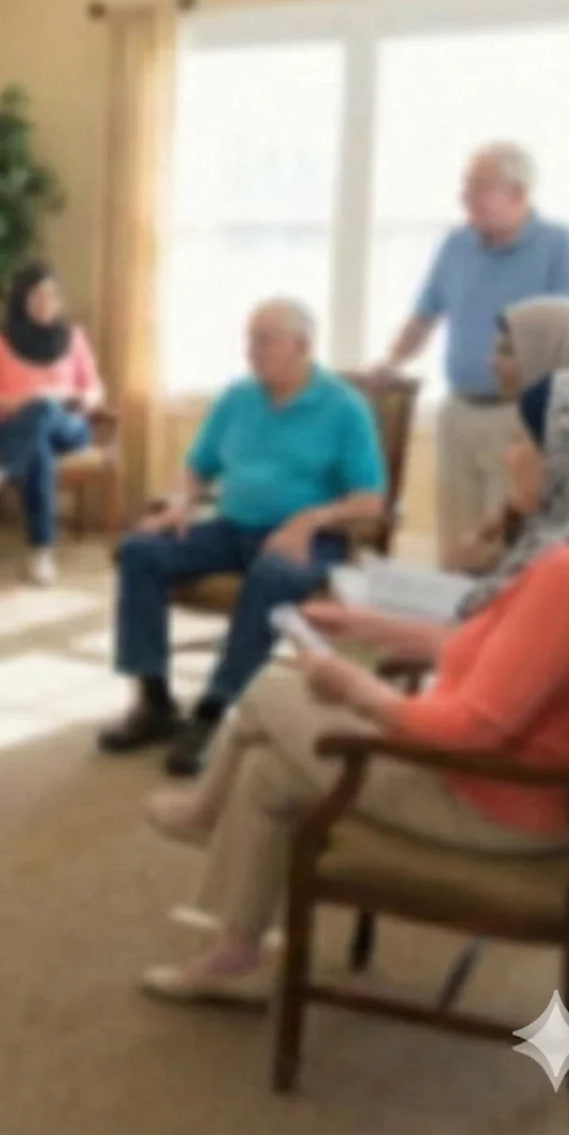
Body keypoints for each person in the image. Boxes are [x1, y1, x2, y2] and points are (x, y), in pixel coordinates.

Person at [138, 369, 569, 1003]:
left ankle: (203, 820)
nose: (508, 455)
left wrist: (354, 687)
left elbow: (472, 728)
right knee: (269, 772)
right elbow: (488, 653)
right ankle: (236, 953)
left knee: (269, 691)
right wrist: (366, 625)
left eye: (526, 443)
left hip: (496, 803)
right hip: (514, 789)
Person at [100, 299, 389, 780]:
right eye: (249, 340)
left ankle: (212, 711)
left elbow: (371, 500)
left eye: (263, 341)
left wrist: (314, 518)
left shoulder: (343, 407)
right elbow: (198, 467)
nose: (250, 352)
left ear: (302, 346)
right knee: (140, 551)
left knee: (272, 574)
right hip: (231, 525)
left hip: (305, 540)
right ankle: (154, 702)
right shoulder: (237, 397)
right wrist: (181, 502)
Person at [377, 142, 569, 561]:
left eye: (479, 187)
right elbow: (424, 314)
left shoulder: (560, 246)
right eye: (466, 187)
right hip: (459, 408)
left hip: (519, 414)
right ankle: (457, 624)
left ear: (519, 194)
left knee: (506, 543)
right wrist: (391, 362)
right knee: (457, 543)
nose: (466, 198)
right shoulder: (456, 245)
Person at [445, 296, 569, 573]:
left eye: (506, 352)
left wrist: (483, 560)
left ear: (547, 352)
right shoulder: (554, 421)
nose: (492, 363)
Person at [0, 261, 105, 586]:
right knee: (38, 447)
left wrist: (82, 399)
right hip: (11, 426)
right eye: (37, 295)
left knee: (45, 407)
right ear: (22, 299)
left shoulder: (73, 337)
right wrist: (14, 402)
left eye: (51, 295)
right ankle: (41, 553)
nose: (45, 303)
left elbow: (94, 388)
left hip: (67, 427)